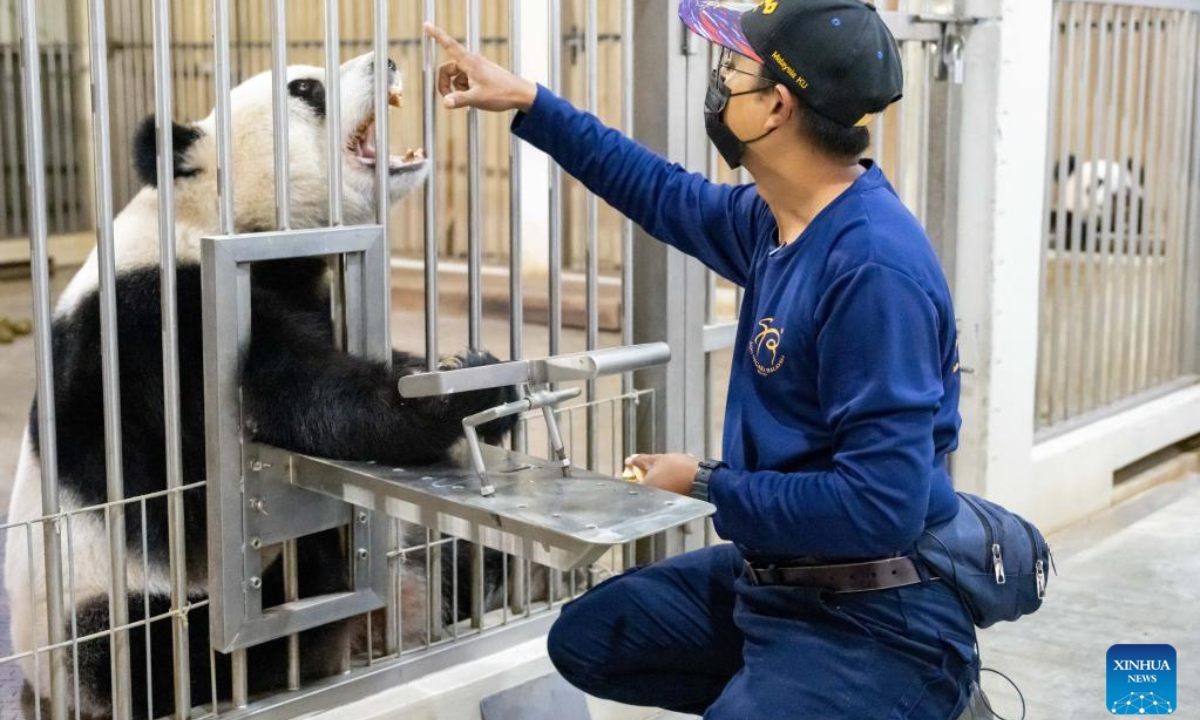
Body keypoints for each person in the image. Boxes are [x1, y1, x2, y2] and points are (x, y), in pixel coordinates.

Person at [425, 0, 978, 716]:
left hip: (877, 611)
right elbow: (660, 192)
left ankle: (898, 700)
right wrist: (530, 100)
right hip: (781, 576)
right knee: (590, 639)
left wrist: (709, 482)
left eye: (731, 66)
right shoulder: (777, 222)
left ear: (776, 106)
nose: (716, 81)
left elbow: (879, 508)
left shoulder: (872, 270)